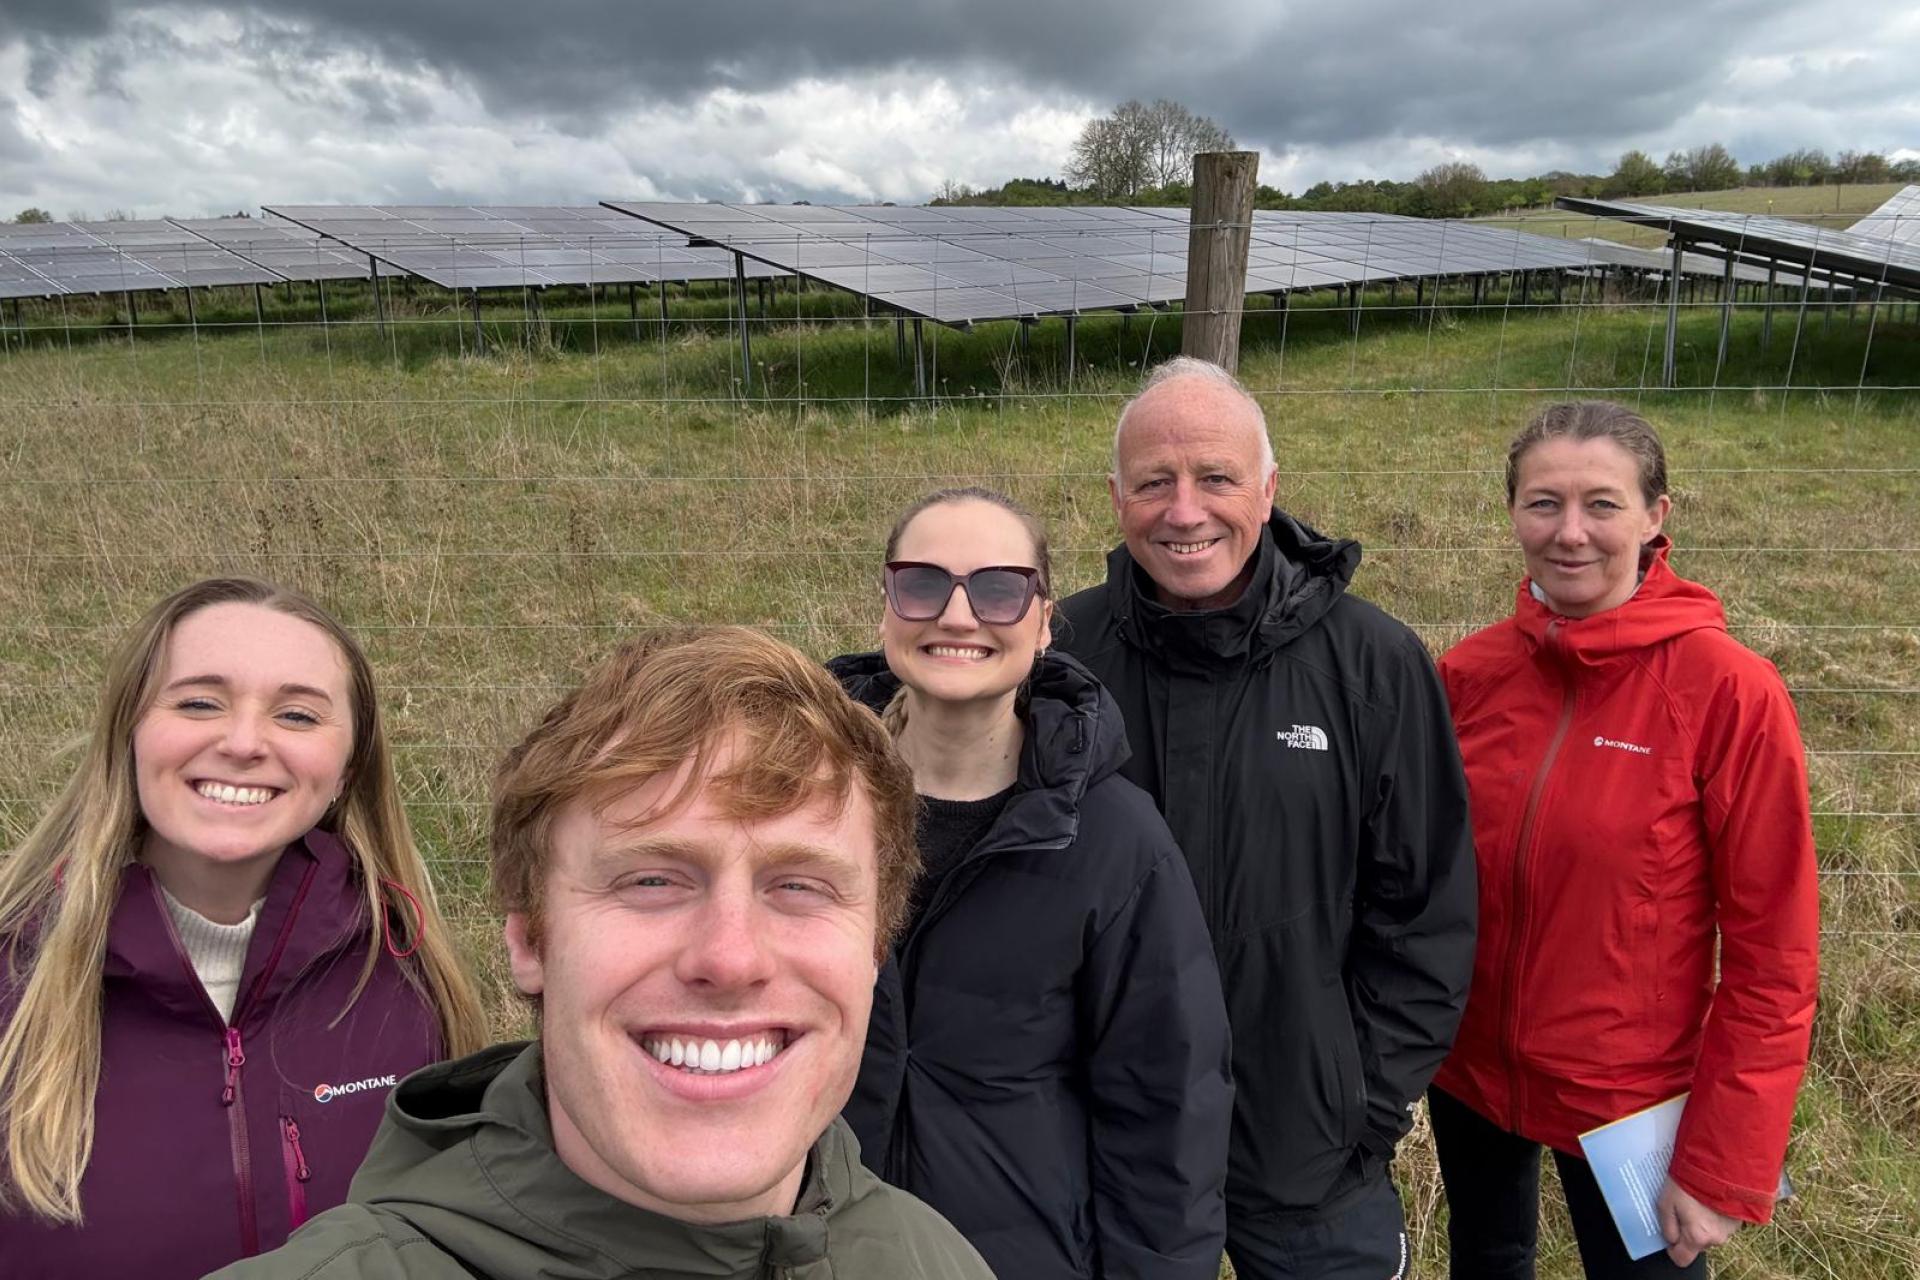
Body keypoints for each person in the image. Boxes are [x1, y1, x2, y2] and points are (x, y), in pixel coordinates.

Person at [212, 626, 995, 1280]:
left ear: (872, 952)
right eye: (652, 879)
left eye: (799, 887)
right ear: (528, 939)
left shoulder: (937, 1261)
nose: (729, 958)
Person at [1056, 356, 1477, 1280]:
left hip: (1311, 1154)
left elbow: (1427, 911)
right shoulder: (1061, 657)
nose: (1184, 509)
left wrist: (1360, 1103)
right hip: (1105, 1141)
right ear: (1115, 496)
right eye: (1154, 482)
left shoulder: (1373, 663)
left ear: (1270, 487)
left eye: (1216, 477)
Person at [1429, 400, 1819, 1278]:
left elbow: (1776, 955)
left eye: (1602, 504)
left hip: (1632, 1102)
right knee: (1486, 1261)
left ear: (1655, 518)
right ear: (1512, 513)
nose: (1571, 533)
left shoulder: (1730, 694)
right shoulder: (1466, 676)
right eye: (1543, 503)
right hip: (1470, 1074)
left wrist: (1724, 1161)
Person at [0, 577, 486, 1280]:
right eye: (200, 702)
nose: (243, 742)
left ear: (348, 766)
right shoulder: (14, 980)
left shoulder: (412, 975)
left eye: (296, 715)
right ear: (128, 731)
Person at [829, 487, 1233, 1280]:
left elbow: (1168, 1111)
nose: (955, 615)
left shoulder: (1117, 840)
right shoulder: (800, 807)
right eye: (921, 582)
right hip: (814, 1247)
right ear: (885, 608)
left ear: (1044, 621)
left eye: (998, 587)